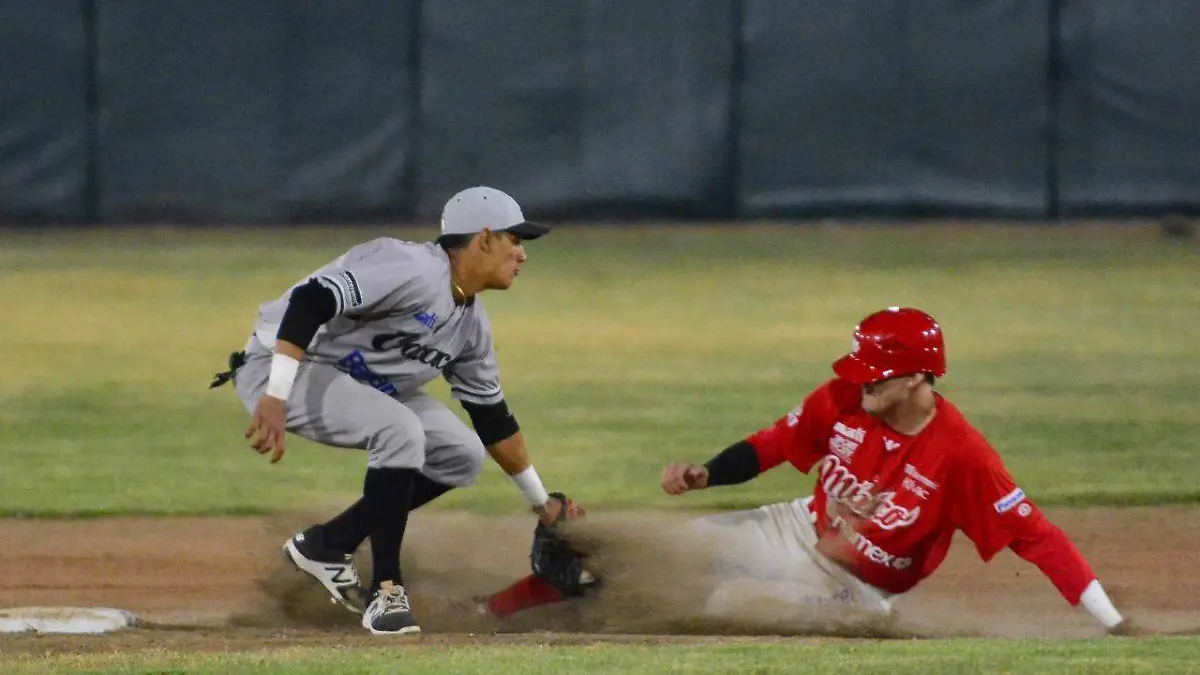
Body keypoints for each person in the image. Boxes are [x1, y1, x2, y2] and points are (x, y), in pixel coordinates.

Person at [481, 307, 1132, 636]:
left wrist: (1113, 623)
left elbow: (1038, 538)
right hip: (791, 529)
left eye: (872, 374)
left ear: (918, 378)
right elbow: (773, 444)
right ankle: (492, 610)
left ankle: (565, 620)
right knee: (659, 555)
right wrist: (706, 474)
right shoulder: (842, 399)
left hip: (858, 594)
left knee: (719, 603)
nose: (856, 384)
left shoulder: (961, 455)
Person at [209, 186, 570, 635]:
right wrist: (276, 395)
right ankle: (386, 592)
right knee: (398, 429)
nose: (522, 255)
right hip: (283, 366)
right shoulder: (411, 268)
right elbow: (310, 301)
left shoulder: (471, 327)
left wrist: (541, 503)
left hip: (358, 384)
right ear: (483, 239)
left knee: (462, 454)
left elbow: (493, 420)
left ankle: (327, 545)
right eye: (514, 240)